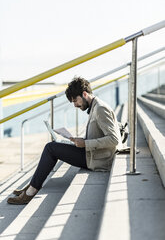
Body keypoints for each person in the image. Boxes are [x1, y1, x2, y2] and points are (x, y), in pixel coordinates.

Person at [7, 77, 122, 205]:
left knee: (51, 148)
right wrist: (80, 140)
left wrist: (85, 143)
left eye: (75, 101)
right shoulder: (95, 106)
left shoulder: (100, 108)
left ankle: (31, 191)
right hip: (92, 153)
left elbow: (114, 139)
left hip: (98, 159)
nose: (75, 105)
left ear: (84, 94)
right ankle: (32, 185)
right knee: (53, 147)